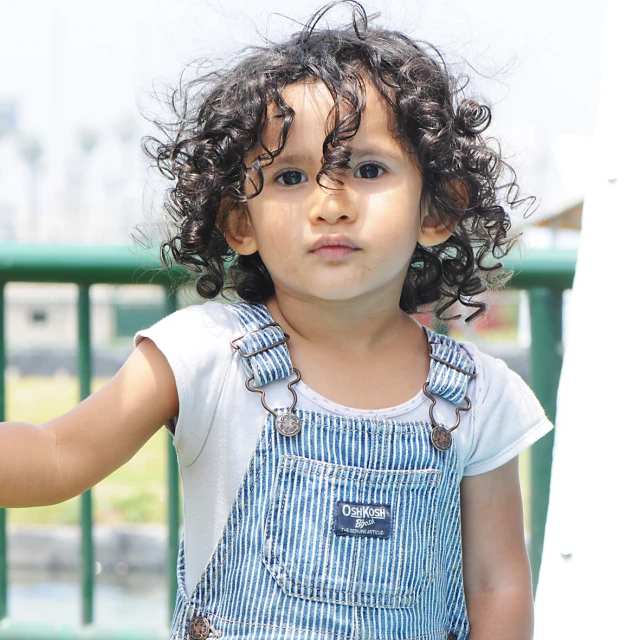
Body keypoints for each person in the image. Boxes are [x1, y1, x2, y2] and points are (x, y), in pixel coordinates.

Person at [1, 3, 553, 639]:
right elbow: (57, 455)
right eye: (290, 176)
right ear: (240, 223)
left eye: (368, 170)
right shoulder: (204, 353)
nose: (330, 204)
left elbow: (498, 583)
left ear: (437, 209)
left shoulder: (479, 395)